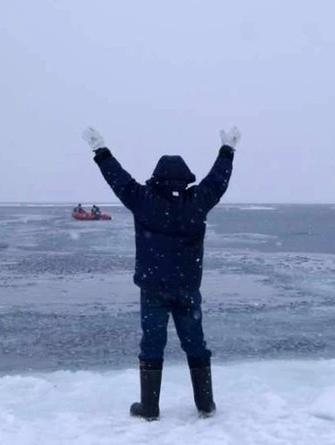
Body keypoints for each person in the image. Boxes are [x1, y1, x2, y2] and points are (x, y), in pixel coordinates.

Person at [82, 125, 240, 421]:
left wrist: (100, 151)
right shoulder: (196, 202)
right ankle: (205, 405)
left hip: (153, 288)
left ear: (157, 177)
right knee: (195, 343)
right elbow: (218, 182)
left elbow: (118, 180)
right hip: (187, 288)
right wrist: (227, 150)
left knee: (152, 344)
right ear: (185, 178)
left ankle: (150, 408)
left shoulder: (145, 200)